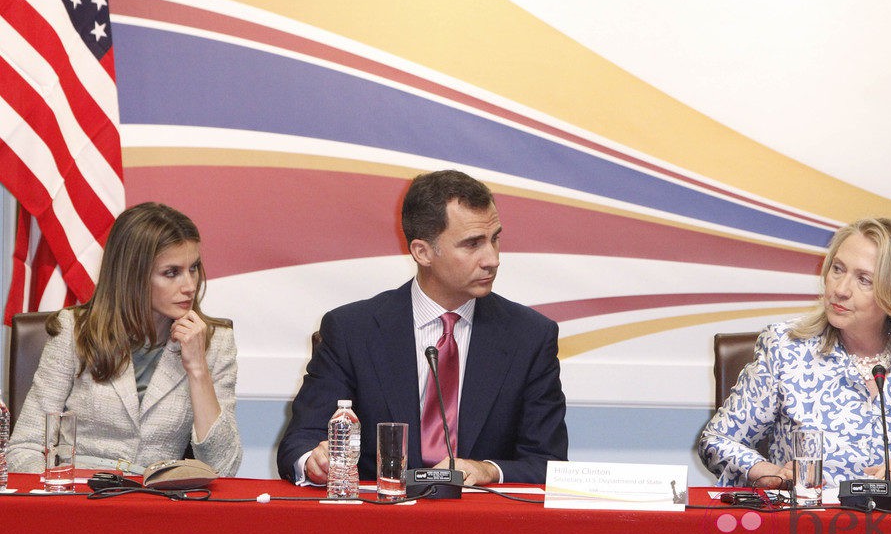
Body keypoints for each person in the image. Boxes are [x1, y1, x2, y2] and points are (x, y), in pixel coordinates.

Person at [277, 169, 568, 486]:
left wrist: (489, 470)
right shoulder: (351, 331)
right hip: (381, 520)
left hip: (480, 524)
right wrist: (314, 462)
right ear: (422, 252)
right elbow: (301, 441)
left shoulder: (530, 336)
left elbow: (548, 463)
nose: (492, 259)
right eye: (472, 244)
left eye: (495, 239)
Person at [699, 217, 891, 494]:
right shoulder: (785, 347)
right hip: (802, 527)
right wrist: (769, 473)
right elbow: (717, 441)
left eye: (864, 280)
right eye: (837, 269)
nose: (840, 289)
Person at [8, 203, 242, 476]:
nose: (190, 285)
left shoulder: (215, 343)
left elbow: (222, 468)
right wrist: (60, 493)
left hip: (155, 501)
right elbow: (24, 448)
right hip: (79, 495)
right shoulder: (73, 331)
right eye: (172, 272)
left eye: (194, 268)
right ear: (132, 274)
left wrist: (199, 370)